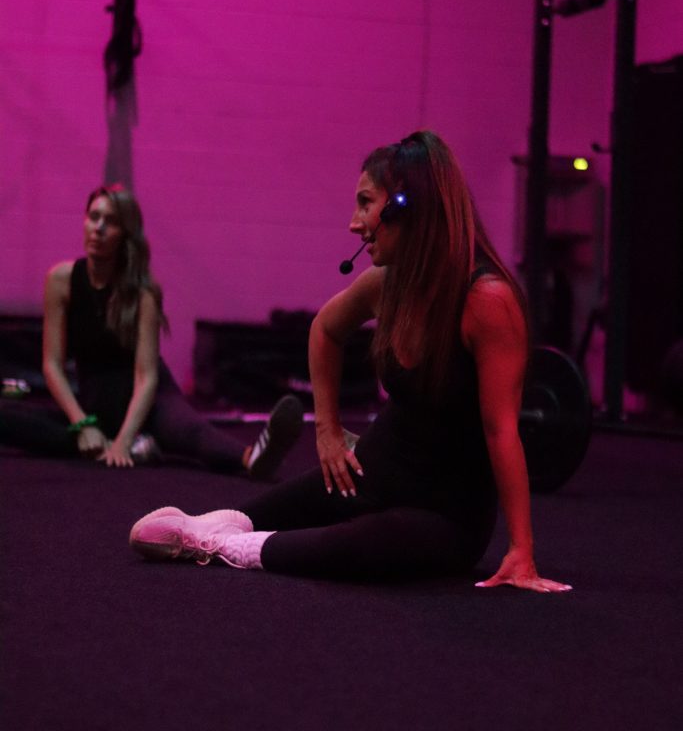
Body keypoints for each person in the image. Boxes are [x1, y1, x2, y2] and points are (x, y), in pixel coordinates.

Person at [129, 132, 571, 592]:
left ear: (405, 205)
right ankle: (210, 528)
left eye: (365, 203)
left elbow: (502, 430)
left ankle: (218, 546)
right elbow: (325, 330)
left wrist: (522, 550)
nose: (354, 224)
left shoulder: (487, 301)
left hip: (442, 517)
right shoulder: (387, 283)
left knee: (359, 543)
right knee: (256, 512)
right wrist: (327, 432)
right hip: (370, 474)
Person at [0, 184, 303, 476]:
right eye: (94, 217)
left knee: (188, 430)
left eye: (111, 222)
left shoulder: (143, 291)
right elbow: (51, 365)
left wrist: (122, 442)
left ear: (125, 235)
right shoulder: (60, 280)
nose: (99, 228)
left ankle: (253, 458)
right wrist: (83, 425)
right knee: (23, 424)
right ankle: (134, 445)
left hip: (149, 399)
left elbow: (146, 377)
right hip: (95, 405)